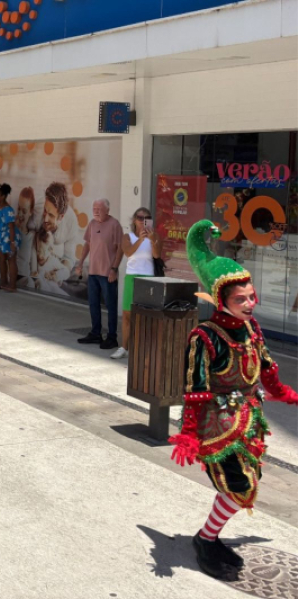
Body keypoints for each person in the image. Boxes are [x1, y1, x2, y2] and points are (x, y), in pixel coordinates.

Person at [169, 219, 297, 580]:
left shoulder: (252, 329)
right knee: (239, 484)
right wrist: (190, 433)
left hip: (249, 419)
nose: (250, 303)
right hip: (217, 422)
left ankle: (207, 537)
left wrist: (287, 395)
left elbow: (267, 369)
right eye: (241, 299)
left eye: (251, 296)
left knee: (248, 481)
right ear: (220, 300)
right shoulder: (205, 337)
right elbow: (195, 388)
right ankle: (205, 539)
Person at [74, 199, 123, 350]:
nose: (95, 211)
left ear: (107, 210)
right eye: (94, 208)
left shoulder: (114, 225)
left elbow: (120, 248)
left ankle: (112, 337)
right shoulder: (92, 224)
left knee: (110, 305)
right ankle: (96, 333)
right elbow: (87, 244)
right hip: (93, 272)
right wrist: (81, 262)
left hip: (107, 273)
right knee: (93, 304)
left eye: (99, 209)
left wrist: (114, 269)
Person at [112, 207, 160, 360]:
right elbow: (128, 252)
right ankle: (124, 347)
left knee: (146, 315)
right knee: (127, 314)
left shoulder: (155, 236)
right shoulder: (128, 236)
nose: (143, 221)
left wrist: (152, 240)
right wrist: (140, 239)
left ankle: (143, 346)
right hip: (132, 276)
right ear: (134, 220)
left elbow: (157, 255)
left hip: (148, 278)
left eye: (147, 218)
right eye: (140, 217)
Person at [14, 187, 37, 283]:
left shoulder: (32, 236)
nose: (20, 214)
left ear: (31, 212)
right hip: (11, 274)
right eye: (18, 208)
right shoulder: (12, 229)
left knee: (30, 282)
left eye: (24, 211)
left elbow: (34, 268)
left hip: (24, 277)